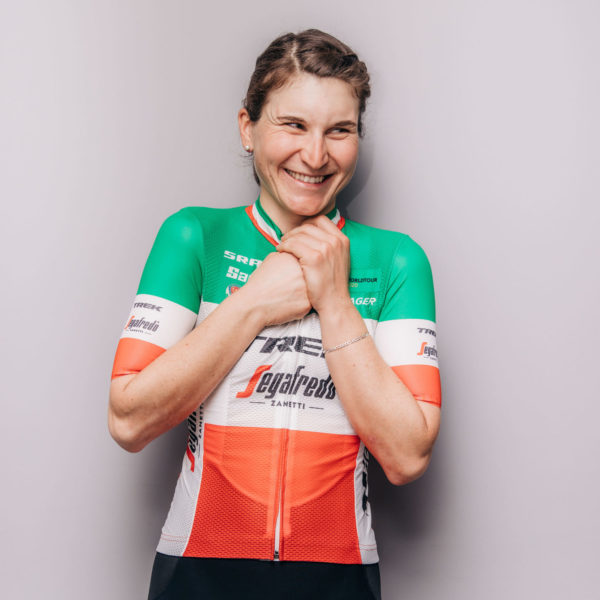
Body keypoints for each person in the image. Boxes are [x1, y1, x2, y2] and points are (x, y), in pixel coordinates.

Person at [109, 29, 441, 600]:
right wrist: (255, 301)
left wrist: (335, 302)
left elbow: (407, 455)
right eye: (294, 125)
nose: (315, 155)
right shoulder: (194, 237)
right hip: (197, 567)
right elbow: (128, 420)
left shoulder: (396, 261)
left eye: (339, 130)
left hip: (340, 573)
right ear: (248, 127)